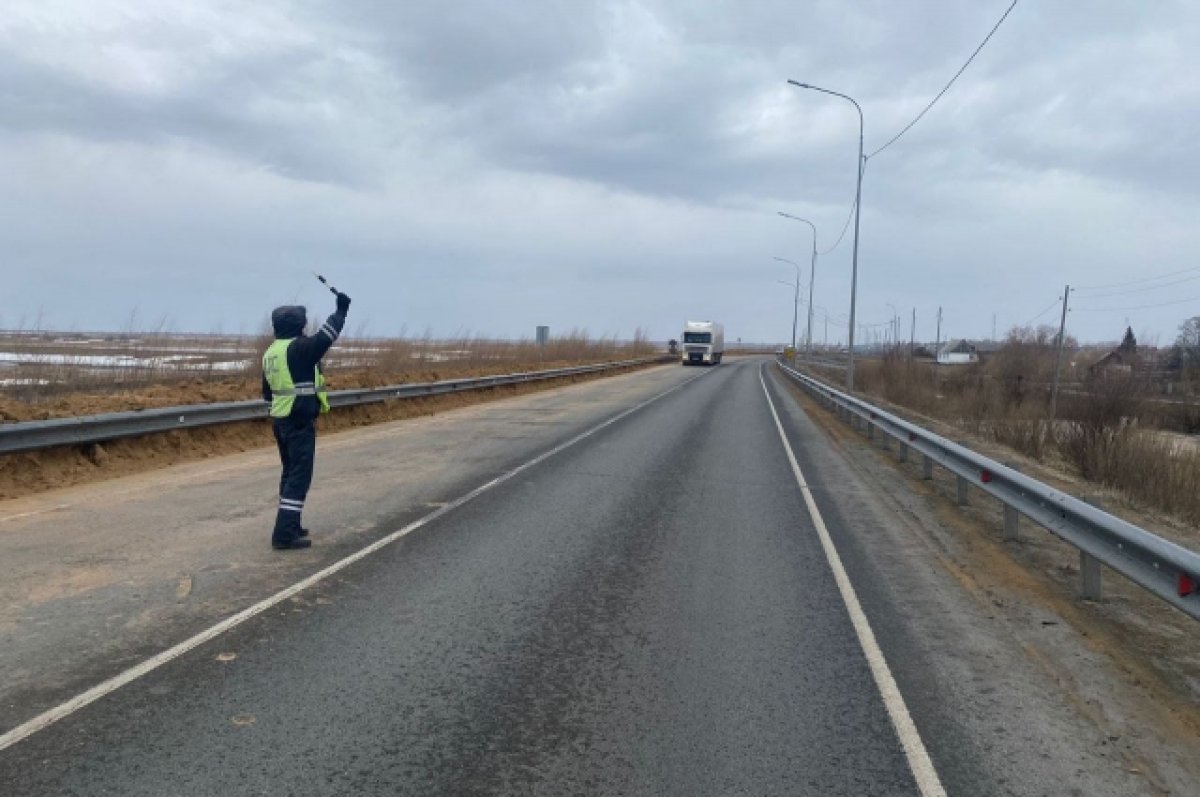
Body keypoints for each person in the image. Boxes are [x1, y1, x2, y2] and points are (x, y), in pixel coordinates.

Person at [261, 291, 351, 549]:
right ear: (297, 325)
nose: (305, 327)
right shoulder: (298, 348)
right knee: (299, 476)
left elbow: (266, 393)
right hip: (298, 420)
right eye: (303, 323)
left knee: (290, 474)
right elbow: (326, 337)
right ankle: (283, 535)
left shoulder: (271, 352)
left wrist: (279, 414)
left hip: (281, 420)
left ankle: (291, 524)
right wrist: (341, 311)